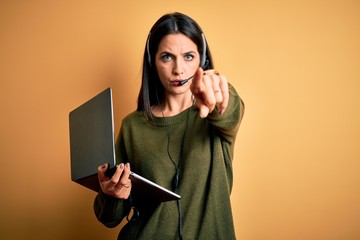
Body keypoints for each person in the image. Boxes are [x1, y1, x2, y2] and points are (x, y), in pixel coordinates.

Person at [94, 12, 245, 240]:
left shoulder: (216, 111)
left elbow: (230, 109)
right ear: (152, 62)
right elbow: (111, 218)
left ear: (202, 60)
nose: (178, 69)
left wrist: (220, 96)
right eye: (166, 57)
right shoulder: (133, 126)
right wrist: (111, 194)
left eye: (188, 56)